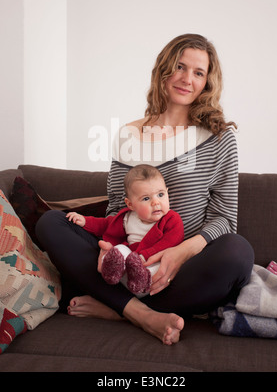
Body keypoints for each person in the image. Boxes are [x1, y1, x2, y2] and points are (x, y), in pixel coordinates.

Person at [36, 33, 254, 346]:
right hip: (126, 265)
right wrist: (108, 249)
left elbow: (224, 219)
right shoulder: (128, 135)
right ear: (163, 69)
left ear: (207, 82)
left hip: (184, 269)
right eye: (179, 67)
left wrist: (180, 253)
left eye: (198, 72)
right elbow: (116, 211)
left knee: (238, 251)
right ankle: (139, 312)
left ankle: (119, 308)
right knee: (52, 223)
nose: (186, 79)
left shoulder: (220, 137)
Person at [66, 164, 184, 296]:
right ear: (130, 204)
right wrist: (84, 221)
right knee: (119, 250)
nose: (156, 202)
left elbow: (171, 242)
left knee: (158, 265)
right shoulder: (127, 218)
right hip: (128, 268)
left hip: (154, 265)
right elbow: (105, 225)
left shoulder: (171, 219)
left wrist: (143, 256)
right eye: (146, 198)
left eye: (160, 194)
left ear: (167, 193)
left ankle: (139, 279)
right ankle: (112, 270)